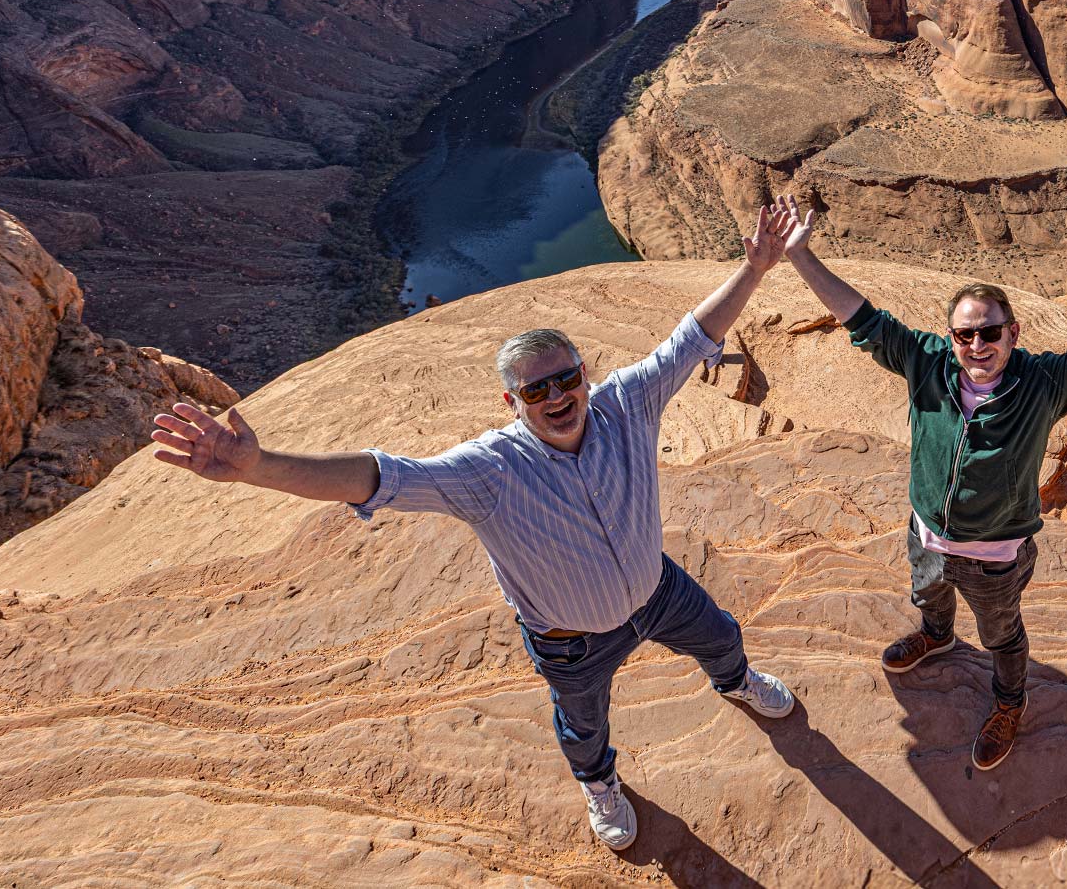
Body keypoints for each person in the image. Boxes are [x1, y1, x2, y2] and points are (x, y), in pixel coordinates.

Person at [149, 207, 797, 852]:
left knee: (719, 634)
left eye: (567, 378)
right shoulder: (488, 471)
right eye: (536, 389)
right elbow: (380, 478)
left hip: (657, 592)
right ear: (511, 404)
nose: (557, 396)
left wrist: (755, 265)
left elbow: (690, 336)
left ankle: (736, 679)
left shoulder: (626, 404)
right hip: (572, 640)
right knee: (583, 722)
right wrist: (259, 466)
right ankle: (599, 784)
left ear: (585, 377)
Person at [767, 196, 1067, 770]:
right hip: (926, 534)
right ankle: (936, 636)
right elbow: (861, 318)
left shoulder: (1043, 385)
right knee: (928, 596)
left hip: (994, 556)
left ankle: (1009, 702)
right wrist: (800, 257)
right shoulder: (927, 362)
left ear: (1013, 332)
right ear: (950, 338)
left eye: (989, 333)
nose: (976, 347)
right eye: (964, 336)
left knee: (1001, 638)